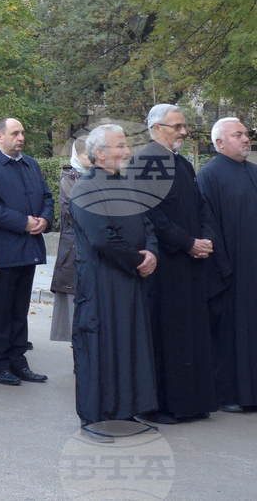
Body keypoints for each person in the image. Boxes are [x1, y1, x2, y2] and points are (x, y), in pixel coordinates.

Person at [129, 104, 218, 423]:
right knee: (167, 334)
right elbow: (151, 216)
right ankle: (165, 406)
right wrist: (187, 242)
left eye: (184, 125)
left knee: (193, 332)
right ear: (156, 129)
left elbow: (200, 205)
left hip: (192, 263)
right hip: (166, 265)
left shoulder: (182, 164)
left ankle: (193, 402)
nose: (184, 131)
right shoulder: (145, 163)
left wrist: (206, 238)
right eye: (177, 126)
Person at [69, 125, 159, 429]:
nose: (127, 151)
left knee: (130, 344)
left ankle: (125, 410)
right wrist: (137, 261)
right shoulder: (85, 188)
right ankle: (94, 417)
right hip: (101, 281)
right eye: (120, 146)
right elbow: (101, 239)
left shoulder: (128, 184)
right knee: (101, 346)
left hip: (131, 278)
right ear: (100, 153)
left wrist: (152, 253)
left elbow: (147, 224)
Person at [0, 117, 54, 386]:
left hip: (28, 249)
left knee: (20, 310)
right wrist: (23, 222)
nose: (21, 137)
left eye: (22, 133)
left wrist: (44, 219)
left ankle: (19, 361)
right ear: (0, 137)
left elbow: (47, 197)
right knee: (0, 311)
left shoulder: (31, 163)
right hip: (2, 252)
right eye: (15, 133)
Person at [197, 117, 257, 413]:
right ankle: (231, 395)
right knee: (231, 336)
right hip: (230, 272)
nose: (246, 138)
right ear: (220, 142)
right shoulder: (208, 175)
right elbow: (207, 224)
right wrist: (224, 267)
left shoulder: (254, 172)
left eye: (246, 134)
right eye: (238, 134)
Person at [49, 138, 90, 344]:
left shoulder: (101, 176)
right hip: (74, 251)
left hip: (91, 252)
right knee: (76, 310)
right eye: (86, 154)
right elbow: (73, 213)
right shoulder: (69, 179)